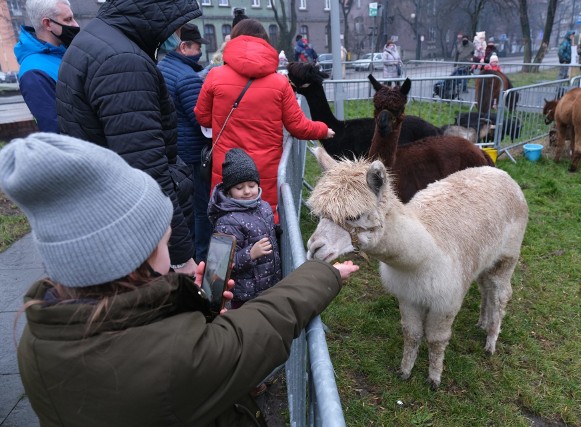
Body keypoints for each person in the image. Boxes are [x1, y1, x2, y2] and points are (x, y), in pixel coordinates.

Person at [0, 132, 359, 427]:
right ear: (129, 259)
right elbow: (259, 326)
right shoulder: (176, 360)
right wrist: (323, 273)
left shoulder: (38, 337)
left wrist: (191, 301)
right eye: (161, 239)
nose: (170, 239)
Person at [55, 0, 200, 276]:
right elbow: (147, 169)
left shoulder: (97, 39)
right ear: (158, 13)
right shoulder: (124, 62)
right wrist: (180, 256)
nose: (179, 36)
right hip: (137, 235)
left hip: (107, 216)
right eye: (178, 27)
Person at [194, 19, 335, 222]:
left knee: (227, 225)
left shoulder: (215, 76)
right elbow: (298, 126)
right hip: (262, 173)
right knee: (264, 224)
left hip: (227, 167)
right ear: (266, 43)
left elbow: (203, 117)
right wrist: (322, 129)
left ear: (234, 40)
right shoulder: (280, 83)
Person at [158, 23, 212, 264]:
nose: (199, 52)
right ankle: (200, 257)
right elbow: (201, 119)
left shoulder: (162, 67)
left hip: (173, 150)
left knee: (180, 209)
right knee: (200, 210)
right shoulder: (188, 78)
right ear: (184, 46)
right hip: (191, 154)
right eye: (197, 47)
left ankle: (181, 257)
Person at [207, 148, 282, 312]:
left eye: (252, 185)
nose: (247, 191)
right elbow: (222, 264)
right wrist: (251, 254)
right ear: (229, 191)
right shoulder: (227, 221)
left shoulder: (264, 207)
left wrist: (275, 231)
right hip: (245, 295)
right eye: (239, 187)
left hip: (269, 284)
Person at [13, 0, 79, 133]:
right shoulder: (34, 73)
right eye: (68, 19)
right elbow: (56, 131)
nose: (75, 25)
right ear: (47, 24)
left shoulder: (65, 53)